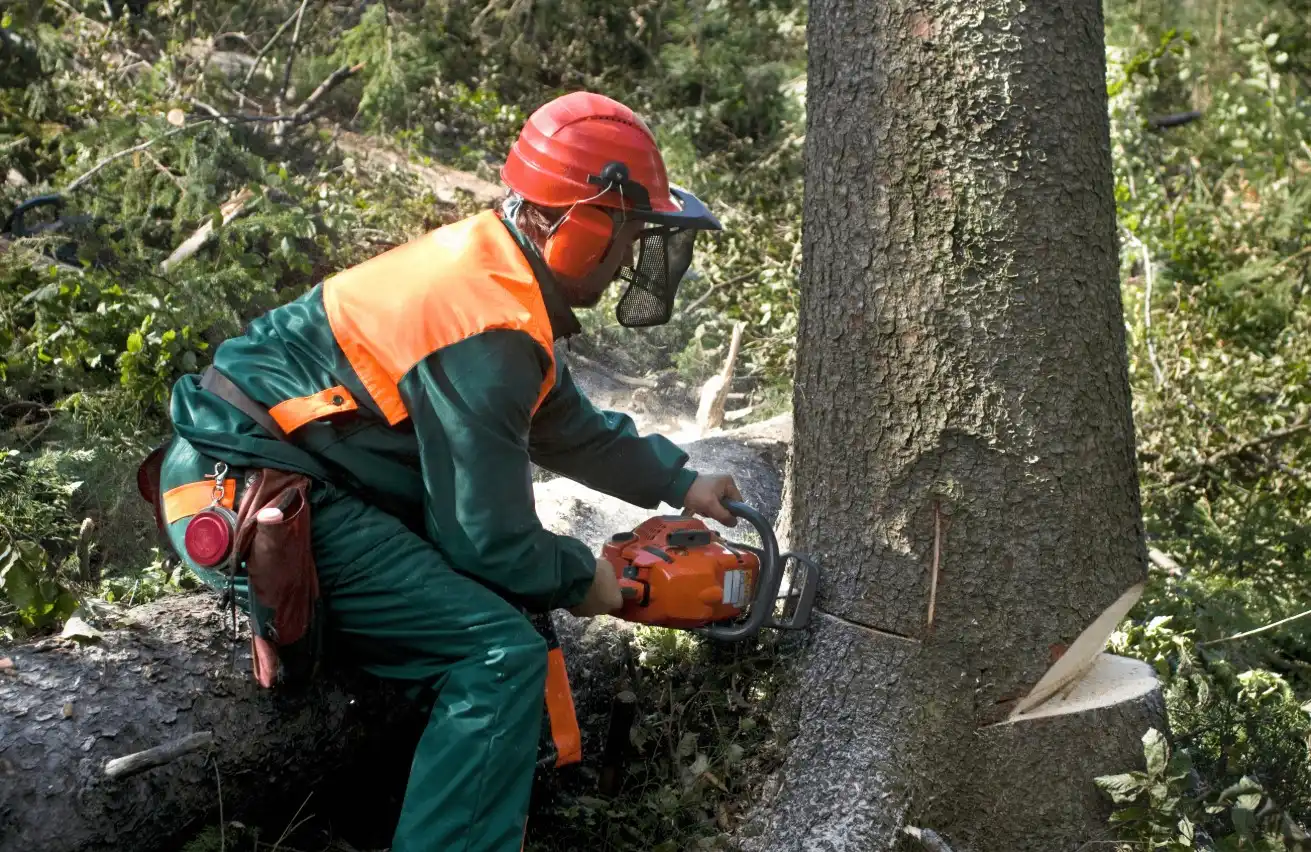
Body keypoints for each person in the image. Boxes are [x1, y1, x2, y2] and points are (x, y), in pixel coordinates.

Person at [138, 90, 742, 852]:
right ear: (582, 228)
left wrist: (681, 483)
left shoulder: (495, 279)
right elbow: (486, 540)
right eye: (627, 236)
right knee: (496, 653)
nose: (630, 260)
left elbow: (562, 425)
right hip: (259, 493)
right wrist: (585, 579)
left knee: (495, 613)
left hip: (295, 473)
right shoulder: (485, 326)